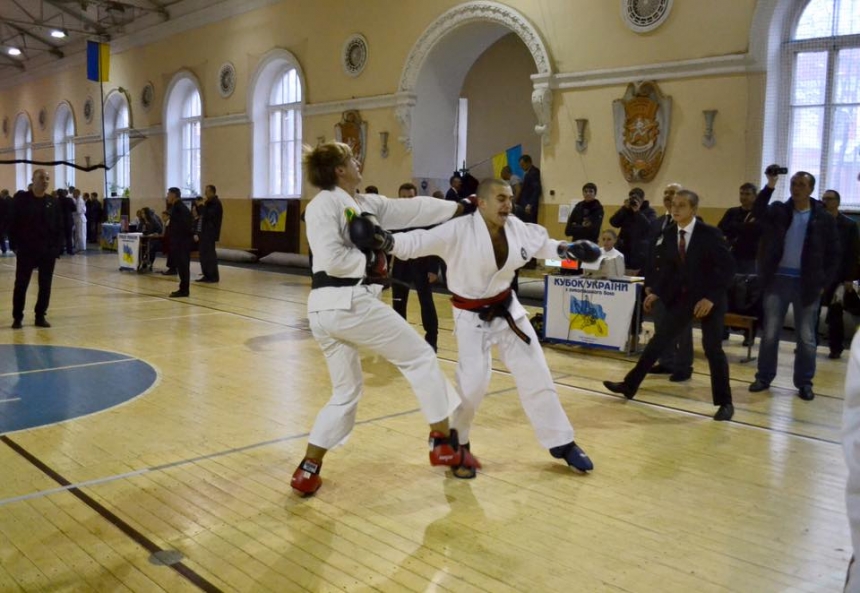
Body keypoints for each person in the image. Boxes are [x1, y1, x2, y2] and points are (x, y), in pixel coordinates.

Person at [372, 178, 596, 477]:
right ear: (482, 202)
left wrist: (569, 249)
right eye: (501, 198)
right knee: (473, 385)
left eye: (510, 198)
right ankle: (458, 443)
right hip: (471, 318)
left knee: (537, 373)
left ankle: (561, 442)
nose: (508, 204)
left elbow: (542, 244)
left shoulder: (515, 227)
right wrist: (385, 241)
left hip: (508, 312)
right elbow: (418, 242)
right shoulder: (458, 230)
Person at [290, 141, 479, 497]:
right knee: (421, 357)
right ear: (338, 170)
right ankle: (442, 443)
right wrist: (372, 249)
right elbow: (330, 260)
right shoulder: (322, 205)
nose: (358, 161)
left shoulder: (365, 203)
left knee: (347, 391)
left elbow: (414, 208)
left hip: (332, 309)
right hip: (344, 301)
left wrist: (460, 206)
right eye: (350, 158)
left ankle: (308, 468)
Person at [604, 189, 737, 421]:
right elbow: (669, 271)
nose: (675, 209)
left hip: (711, 298)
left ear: (693, 210)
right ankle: (629, 385)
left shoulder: (709, 234)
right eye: (674, 204)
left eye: (682, 205)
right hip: (685, 297)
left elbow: (728, 270)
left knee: (712, 348)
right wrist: (657, 292)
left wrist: (711, 298)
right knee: (658, 341)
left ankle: (725, 402)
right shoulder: (668, 233)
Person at [749, 168, 839, 401]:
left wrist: (824, 284)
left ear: (810, 189)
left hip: (807, 284)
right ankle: (764, 377)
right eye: (793, 183)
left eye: (801, 184)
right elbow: (757, 211)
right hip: (777, 280)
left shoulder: (823, 217)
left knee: (807, 337)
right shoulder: (779, 210)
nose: (796, 188)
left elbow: (833, 254)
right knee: (770, 333)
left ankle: (804, 382)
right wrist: (770, 184)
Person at [645, 182, 693, 381]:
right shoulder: (657, 223)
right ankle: (666, 361)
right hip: (658, 285)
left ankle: (683, 366)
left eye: (672, 193)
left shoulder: (688, 223)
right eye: (665, 193)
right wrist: (649, 282)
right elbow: (651, 254)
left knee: (682, 328)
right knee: (661, 325)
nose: (668, 196)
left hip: (680, 286)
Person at [9, 169, 64, 329]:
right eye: (41, 178)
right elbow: (13, 222)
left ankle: (40, 315)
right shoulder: (22, 199)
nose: (45, 181)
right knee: (21, 284)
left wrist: (56, 248)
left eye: (47, 178)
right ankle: (17, 317)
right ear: (33, 179)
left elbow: (59, 226)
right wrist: (14, 245)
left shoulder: (52, 202)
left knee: (45, 284)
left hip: (47, 250)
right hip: (26, 249)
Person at [390, 182, 440, 351]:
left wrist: (434, 268)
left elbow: (436, 241)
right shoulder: (393, 217)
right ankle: (400, 340)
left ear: (415, 197)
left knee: (426, 303)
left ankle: (431, 340)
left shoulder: (426, 216)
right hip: (400, 265)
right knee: (398, 303)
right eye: (403, 197)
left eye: (410, 197)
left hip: (422, 264)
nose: (407, 200)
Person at [821, 189, 860, 359]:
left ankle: (835, 348)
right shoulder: (817, 222)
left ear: (837, 202)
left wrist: (849, 278)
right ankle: (808, 344)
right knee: (812, 310)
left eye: (829, 199)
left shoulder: (849, 225)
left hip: (839, 275)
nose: (825, 202)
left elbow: (853, 253)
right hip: (819, 273)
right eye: (823, 199)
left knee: (835, 311)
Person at [717, 182, 762, 275]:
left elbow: (755, 233)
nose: (743, 197)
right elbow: (720, 230)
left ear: (755, 196)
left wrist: (736, 227)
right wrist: (742, 227)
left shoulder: (760, 214)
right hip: (732, 254)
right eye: (741, 193)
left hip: (752, 258)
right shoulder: (732, 212)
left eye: (747, 194)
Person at [610, 187, 656, 273]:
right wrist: (623, 209)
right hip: (623, 249)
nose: (634, 201)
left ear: (642, 199)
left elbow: (649, 228)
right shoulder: (626, 210)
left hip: (640, 251)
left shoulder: (650, 211)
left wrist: (637, 211)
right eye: (632, 198)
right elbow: (613, 222)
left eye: (637, 199)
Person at [165, 187, 194, 297]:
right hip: (180, 242)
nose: (167, 196)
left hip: (182, 242)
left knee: (183, 266)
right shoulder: (177, 207)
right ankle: (183, 288)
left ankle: (184, 290)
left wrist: (178, 239)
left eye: (168, 194)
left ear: (173, 195)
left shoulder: (180, 208)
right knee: (181, 266)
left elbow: (184, 226)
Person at [197, 184, 223, 283]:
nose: (205, 193)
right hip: (204, 233)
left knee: (209, 255)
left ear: (212, 192)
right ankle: (206, 274)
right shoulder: (208, 203)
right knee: (203, 255)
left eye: (207, 191)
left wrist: (202, 206)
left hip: (210, 233)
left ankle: (213, 276)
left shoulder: (216, 203)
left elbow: (209, 216)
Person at [517, 154, 541, 223]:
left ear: (528, 163)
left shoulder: (534, 172)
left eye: (522, 165)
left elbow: (536, 189)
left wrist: (530, 204)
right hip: (524, 204)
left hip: (529, 205)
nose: (521, 167)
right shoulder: (528, 173)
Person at [0, 189, 9, 255]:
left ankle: (4, 249)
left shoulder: (3, 201)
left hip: (2, 220)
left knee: (1, 236)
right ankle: (4, 249)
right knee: (1, 236)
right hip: (3, 221)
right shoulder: (5, 201)